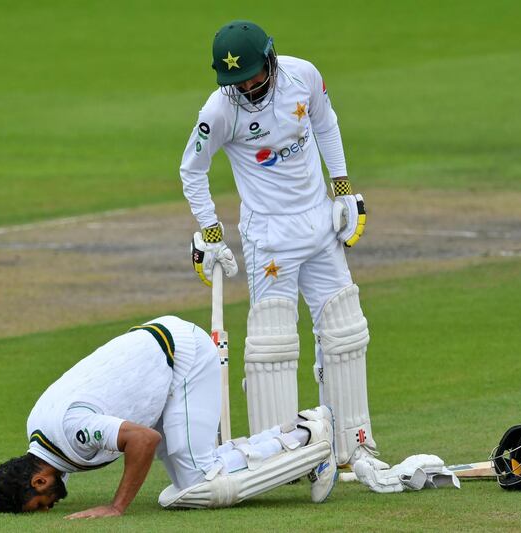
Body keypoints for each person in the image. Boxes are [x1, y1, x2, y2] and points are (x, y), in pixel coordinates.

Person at [183, 20, 384, 469]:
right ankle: (281, 460)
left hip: (319, 223)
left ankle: (354, 446)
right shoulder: (219, 110)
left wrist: (344, 187)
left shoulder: (303, 76)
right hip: (269, 236)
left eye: (254, 75)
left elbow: (327, 125)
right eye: (238, 81)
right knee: (273, 346)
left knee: (345, 332)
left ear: (271, 59)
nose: (249, 86)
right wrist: (212, 233)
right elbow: (191, 171)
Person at [0, 315, 337, 517]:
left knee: (199, 483)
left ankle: (308, 439)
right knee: (191, 483)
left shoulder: (70, 430)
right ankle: (292, 435)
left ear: (39, 481)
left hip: (181, 356)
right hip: (153, 369)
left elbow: (144, 439)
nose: (47, 509)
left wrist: (117, 506)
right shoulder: (38, 429)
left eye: (39, 506)